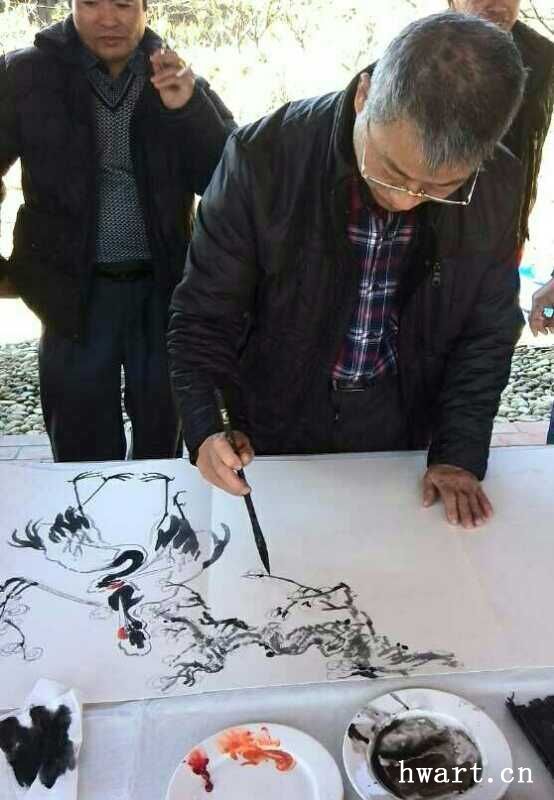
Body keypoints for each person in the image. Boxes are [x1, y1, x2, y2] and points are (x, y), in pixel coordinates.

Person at [167, 12, 526, 529]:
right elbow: (204, 315)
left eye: (439, 189)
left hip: (399, 414)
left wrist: (457, 451)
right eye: (392, 170)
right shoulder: (263, 159)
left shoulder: (497, 183)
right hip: (273, 412)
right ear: (364, 95)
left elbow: (486, 330)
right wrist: (208, 424)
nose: (405, 200)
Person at [0, 0, 235, 462]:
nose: (108, 19)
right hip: (71, 296)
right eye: (91, 2)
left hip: (163, 291)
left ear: (146, 8)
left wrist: (189, 110)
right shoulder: (24, 76)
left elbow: (228, 179)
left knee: (164, 443)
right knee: (80, 448)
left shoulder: (174, 76)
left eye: (124, 3)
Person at [447, 2, 554, 253]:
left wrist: (515, 234)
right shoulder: (419, 54)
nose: (497, 2)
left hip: (498, 234)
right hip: (425, 230)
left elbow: (528, 153)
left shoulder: (540, 58)